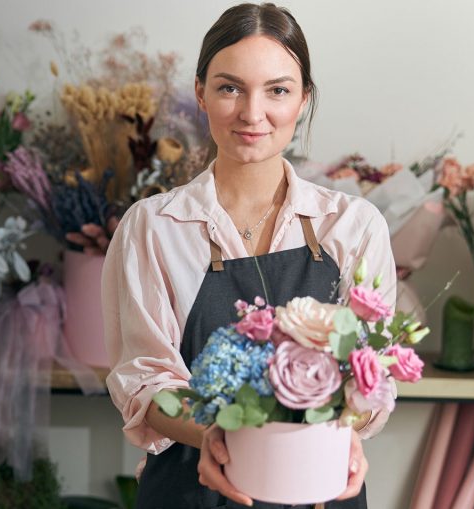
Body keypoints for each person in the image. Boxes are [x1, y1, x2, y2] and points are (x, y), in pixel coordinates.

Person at [102, 3, 397, 508]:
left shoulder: (352, 226)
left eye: (277, 90)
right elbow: (145, 382)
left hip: (320, 487)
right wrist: (219, 436)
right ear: (201, 92)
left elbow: (375, 372)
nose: (252, 113)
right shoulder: (153, 227)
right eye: (230, 88)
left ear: (304, 98)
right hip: (191, 490)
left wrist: (344, 427)